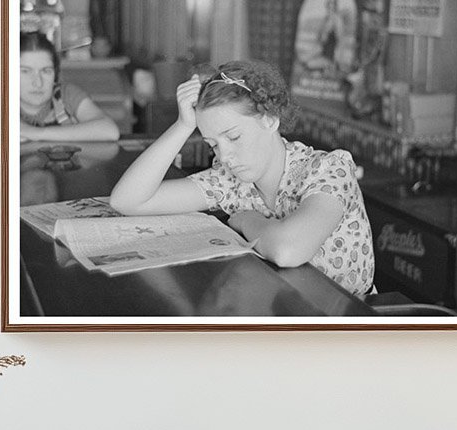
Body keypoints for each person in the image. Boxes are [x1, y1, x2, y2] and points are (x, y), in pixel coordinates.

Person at [109, 60, 374, 298]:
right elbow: (127, 201)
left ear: (270, 120)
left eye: (233, 137)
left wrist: (248, 220)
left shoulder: (329, 169)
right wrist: (183, 126)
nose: (224, 157)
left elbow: (287, 250)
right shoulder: (231, 181)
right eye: (213, 144)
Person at [19, 32, 120, 142]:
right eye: (25, 71)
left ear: (56, 75)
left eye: (46, 71)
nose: (38, 83)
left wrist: (33, 133)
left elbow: (109, 131)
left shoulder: (65, 95)